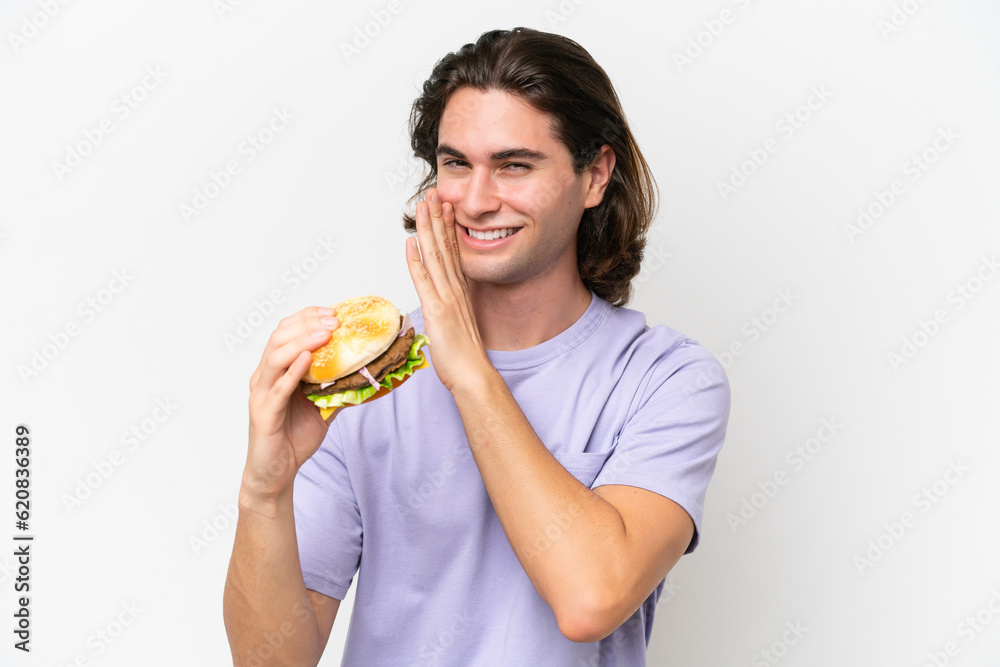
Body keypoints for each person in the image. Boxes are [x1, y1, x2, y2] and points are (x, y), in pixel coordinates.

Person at [224, 27, 730, 666]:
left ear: (596, 174)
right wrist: (263, 489)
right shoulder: (365, 377)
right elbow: (270, 661)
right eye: (456, 163)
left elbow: (590, 600)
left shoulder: (668, 380)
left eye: (515, 165)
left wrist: (464, 367)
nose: (476, 200)